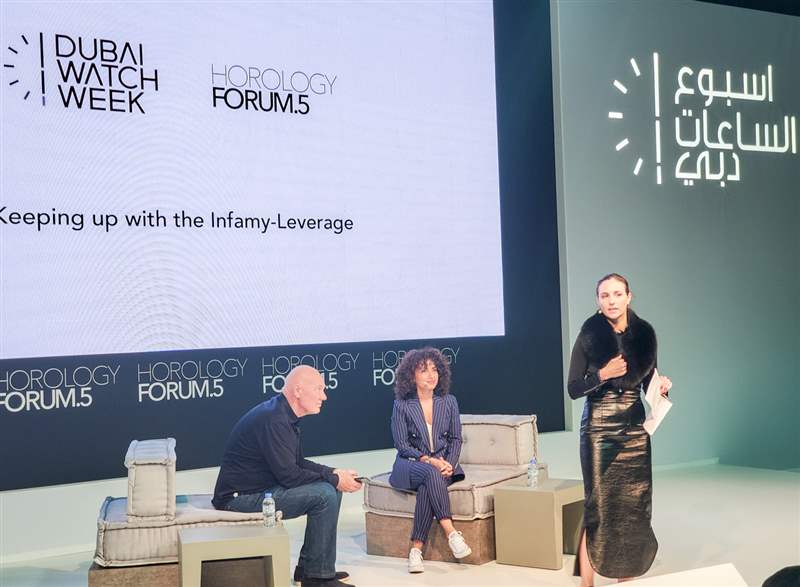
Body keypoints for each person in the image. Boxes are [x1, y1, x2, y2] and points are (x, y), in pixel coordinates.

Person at [212, 365, 362, 587]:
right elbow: (290, 476)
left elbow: (298, 463)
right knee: (325, 494)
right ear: (298, 390)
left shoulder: (283, 415)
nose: (324, 396)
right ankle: (317, 579)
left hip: (260, 490)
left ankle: (309, 569)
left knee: (331, 489)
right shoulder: (274, 420)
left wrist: (334, 473)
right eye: (319, 389)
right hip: (238, 500)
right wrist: (334, 479)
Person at [568, 273, 672, 586]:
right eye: (604, 295)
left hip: (634, 429)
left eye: (617, 294)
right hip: (599, 429)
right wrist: (603, 373)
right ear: (598, 300)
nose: (611, 301)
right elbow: (573, 388)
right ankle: (587, 582)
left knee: (632, 505)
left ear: (629, 296)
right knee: (597, 505)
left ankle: (625, 579)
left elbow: (649, 380)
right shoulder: (589, 334)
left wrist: (662, 386)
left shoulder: (644, 336)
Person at [388, 347, 472, 574]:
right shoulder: (402, 405)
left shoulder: (449, 402)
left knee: (429, 484)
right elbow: (402, 445)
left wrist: (449, 464)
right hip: (410, 464)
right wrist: (430, 461)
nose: (431, 375)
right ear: (411, 375)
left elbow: (455, 439)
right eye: (424, 370)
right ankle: (451, 533)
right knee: (430, 472)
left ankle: (416, 551)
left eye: (434, 369)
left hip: (442, 465)